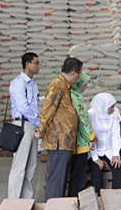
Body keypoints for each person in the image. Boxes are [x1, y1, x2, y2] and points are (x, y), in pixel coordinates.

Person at [39, 57, 82, 201]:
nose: (80, 76)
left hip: (65, 141)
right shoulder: (57, 85)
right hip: (58, 140)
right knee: (57, 178)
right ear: (74, 72)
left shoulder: (64, 86)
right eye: (80, 73)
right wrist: (41, 128)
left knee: (62, 178)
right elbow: (48, 108)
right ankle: (52, 206)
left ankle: (59, 205)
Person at [7, 52, 42, 199]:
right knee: (19, 167)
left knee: (31, 167)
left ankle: (26, 201)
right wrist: (39, 122)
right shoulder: (18, 83)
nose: (39, 66)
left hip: (32, 126)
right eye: (36, 63)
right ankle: (14, 203)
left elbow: (36, 106)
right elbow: (23, 107)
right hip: (23, 125)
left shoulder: (33, 85)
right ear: (28, 64)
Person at [66, 72, 96, 197]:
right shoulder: (75, 99)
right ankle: (74, 200)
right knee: (78, 177)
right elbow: (83, 120)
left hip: (71, 142)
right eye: (84, 84)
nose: (86, 87)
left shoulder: (71, 96)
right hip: (79, 143)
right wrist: (92, 136)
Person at [87, 92, 121, 196]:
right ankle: (98, 198)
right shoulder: (91, 114)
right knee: (96, 170)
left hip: (109, 148)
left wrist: (116, 154)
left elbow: (115, 135)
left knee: (117, 167)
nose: (113, 109)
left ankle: (118, 197)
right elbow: (91, 137)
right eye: (111, 107)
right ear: (103, 106)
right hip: (95, 149)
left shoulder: (115, 113)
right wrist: (95, 158)